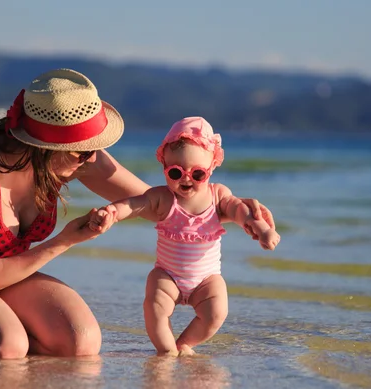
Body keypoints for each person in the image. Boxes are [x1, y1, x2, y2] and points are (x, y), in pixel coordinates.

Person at [0, 69, 274, 359]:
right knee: (7, 345)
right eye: (85, 153)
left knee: (80, 341)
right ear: (46, 148)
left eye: (94, 150)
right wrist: (68, 239)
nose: (94, 158)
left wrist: (234, 208)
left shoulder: (75, 155)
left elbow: (161, 206)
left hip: (5, 271)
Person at [90, 117, 280, 356]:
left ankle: (185, 343)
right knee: (155, 306)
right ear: (164, 166)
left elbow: (238, 209)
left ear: (211, 169)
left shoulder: (218, 195)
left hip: (206, 280)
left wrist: (261, 228)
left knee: (216, 313)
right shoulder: (162, 198)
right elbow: (135, 204)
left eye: (198, 173)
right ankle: (166, 350)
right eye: (176, 172)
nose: (186, 179)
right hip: (167, 275)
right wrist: (113, 212)